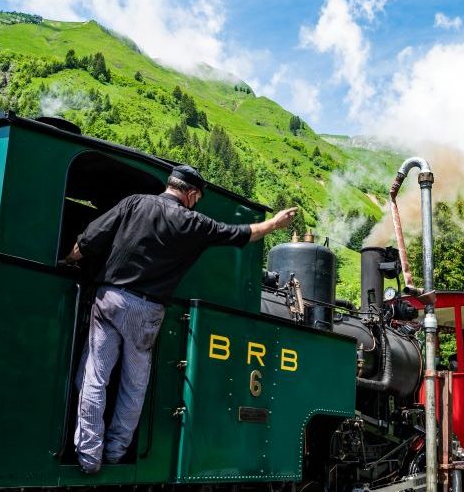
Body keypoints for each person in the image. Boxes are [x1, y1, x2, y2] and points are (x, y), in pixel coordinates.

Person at [63, 165, 299, 473]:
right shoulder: (192, 222)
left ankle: (88, 457)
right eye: (197, 198)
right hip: (147, 310)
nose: (196, 203)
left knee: (95, 376)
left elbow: (89, 241)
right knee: (134, 387)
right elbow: (241, 234)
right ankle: (116, 452)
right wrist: (274, 223)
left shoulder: (135, 202)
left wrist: (67, 261)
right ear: (190, 193)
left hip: (110, 299)